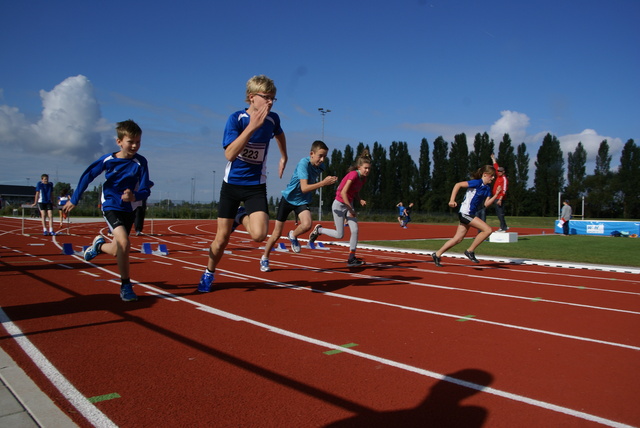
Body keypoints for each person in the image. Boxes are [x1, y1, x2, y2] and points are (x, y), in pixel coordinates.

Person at [198, 75, 288, 292]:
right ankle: (209, 273)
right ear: (251, 98)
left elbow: (279, 134)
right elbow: (229, 154)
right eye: (266, 98)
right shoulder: (236, 119)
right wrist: (251, 128)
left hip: (255, 186)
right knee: (221, 240)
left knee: (258, 235)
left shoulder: (272, 119)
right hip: (231, 185)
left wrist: (283, 156)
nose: (270, 103)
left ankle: (241, 215)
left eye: (273, 99)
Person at [64, 119, 152, 302]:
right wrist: (75, 198)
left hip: (129, 208)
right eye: (131, 141)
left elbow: (145, 189)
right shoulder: (108, 160)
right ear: (119, 141)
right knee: (124, 243)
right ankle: (126, 285)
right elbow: (88, 175)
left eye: (138, 141)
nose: (135, 145)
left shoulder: (141, 162)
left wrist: (134, 196)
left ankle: (99, 246)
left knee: (118, 248)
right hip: (111, 204)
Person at [260, 140, 337, 272]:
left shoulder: (321, 167)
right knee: (276, 233)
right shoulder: (303, 164)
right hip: (288, 199)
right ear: (311, 154)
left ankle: (293, 235)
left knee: (307, 224)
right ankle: (265, 258)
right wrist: (323, 183)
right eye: (320, 156)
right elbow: (304, 187)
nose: (322, 159)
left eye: (325, 156)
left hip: (301, 201)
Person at [308, 149, 371, 267]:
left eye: (369, 168)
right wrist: (350, 209)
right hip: (339, 204)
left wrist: (359, 199)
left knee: (355, 230)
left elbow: (354, 192)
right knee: (339, 235)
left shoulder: (363, 179)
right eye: (365, 168)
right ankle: (319, 230)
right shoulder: (353, 175)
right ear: (359, 167)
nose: (367, 170)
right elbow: (343, 193)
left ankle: (351, 258)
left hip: (349, 204)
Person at [431, 165, 501, 267]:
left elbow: (486, 204)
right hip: (465, 213)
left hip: (470, 214)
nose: (493, 178)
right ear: (485, 175)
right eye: (492, 176)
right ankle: (470, 251)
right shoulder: (477, 183)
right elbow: (458, 185)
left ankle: (437, 254)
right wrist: (452, 200)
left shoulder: (487, 188)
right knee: (487, 230)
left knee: (458, 239)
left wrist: (496, 195)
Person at [491, 153, 509, 232]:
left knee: (500, 213)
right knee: (498, 213)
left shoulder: (504, 179)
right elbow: (496, 166)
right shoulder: (498, 176)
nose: (498, 172)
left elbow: (504, 190)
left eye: (500, 171)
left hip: (500, 198)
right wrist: (493, 158)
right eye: (498, 171)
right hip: (496, 197)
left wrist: (500, 199)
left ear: (503, 172)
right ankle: (503, 226)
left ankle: (503, 227)